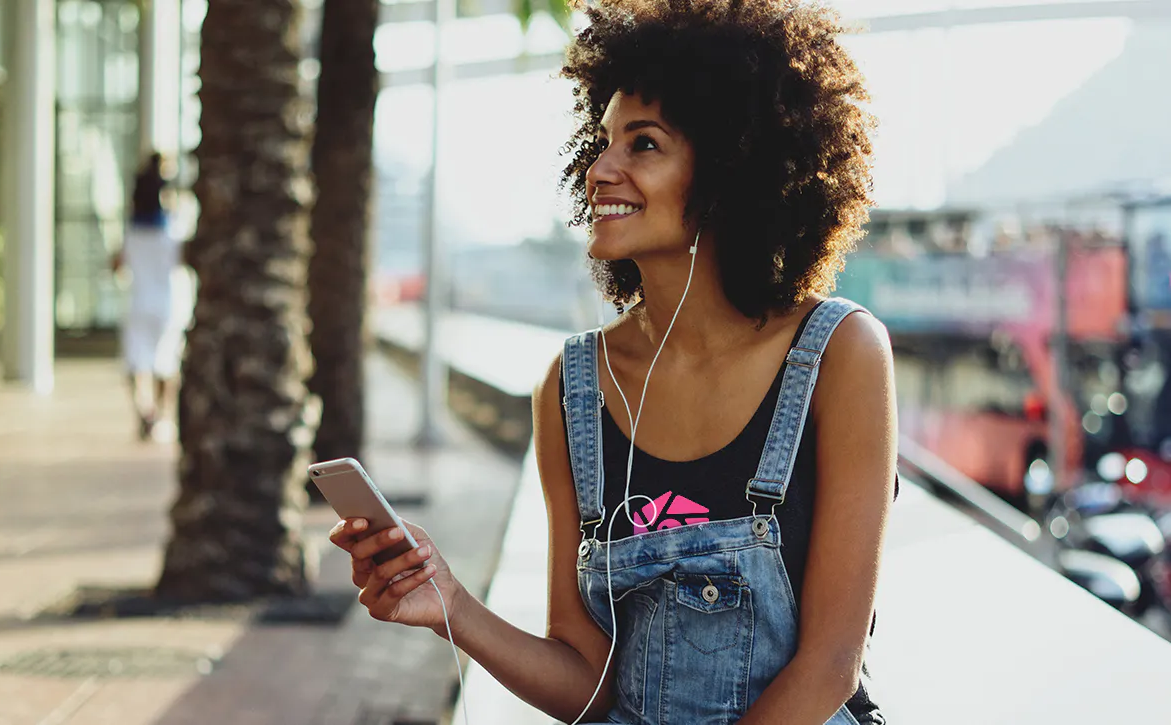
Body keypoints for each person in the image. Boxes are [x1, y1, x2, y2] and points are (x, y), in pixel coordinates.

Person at [329, 2, 896, 723]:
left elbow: (829, 667)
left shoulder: (839, 354)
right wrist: (451, 605)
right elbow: (590, 685)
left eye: (644, 144)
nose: (600, 170)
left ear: (731, 168)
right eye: (602, 143)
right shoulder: (571, 388)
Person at [114, 152, 182, 440]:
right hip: (166, 304)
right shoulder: (172, 228)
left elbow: (117, 264)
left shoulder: (132, 231)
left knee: (136, 362)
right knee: (165, 362)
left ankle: (143, 412)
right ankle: (162, 416)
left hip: (138, 302)